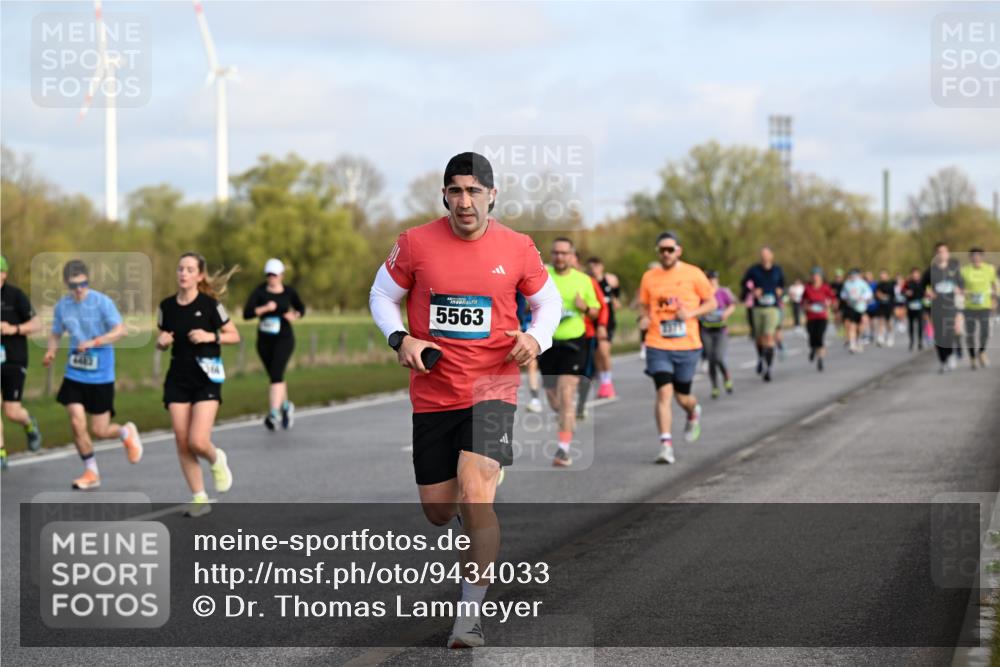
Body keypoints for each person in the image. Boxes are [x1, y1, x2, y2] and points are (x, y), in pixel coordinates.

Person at [368, 152, 560, 649]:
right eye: (456, 190)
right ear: (444, 196)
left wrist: (537, 339)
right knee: (438, 509)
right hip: (434, 391)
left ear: (493, 195)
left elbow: (548, 303)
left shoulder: (517, 247)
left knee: (477, 493)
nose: (465, 200)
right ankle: (477, 493)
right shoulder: (414, 243)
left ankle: (468, 618)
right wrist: (400, 339)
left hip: (493, 385)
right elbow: (380, 296)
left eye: (475, 191)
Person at [42, 259, 143, 489]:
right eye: (73, 285)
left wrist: (95, 341)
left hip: (101, 375)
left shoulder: (102, 303)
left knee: (100, 430)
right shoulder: (62, 306)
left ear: (88, 281)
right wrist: (50, 352)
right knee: (77, 422)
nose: (79, 289)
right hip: (75, 373)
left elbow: (121, 331)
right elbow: (56, 333)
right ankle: (91, 472)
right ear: (66, 284)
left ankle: (125, 431)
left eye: (83, 284)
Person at [157, 252, 239, 516]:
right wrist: (161, 342)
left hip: (206, 376)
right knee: (182, 442)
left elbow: (233, 335)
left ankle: (216, 458)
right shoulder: (166, 306)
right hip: (178, 378)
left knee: (197, 440)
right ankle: (199, 497)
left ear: (200, 275)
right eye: (181, 268)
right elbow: (163, 333)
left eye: (190, 269)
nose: (183, 273)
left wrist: (208, 335)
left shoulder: (211, 305)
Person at [639, 232, 716, 464]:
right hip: (657, 343)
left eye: (670, 249)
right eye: (662, 249)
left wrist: (691, 313)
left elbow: (712, 303)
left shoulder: (694, 273)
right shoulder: (649, 277)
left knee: (683, 397)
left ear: (678, 251)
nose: (666, 253)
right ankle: (665, 445)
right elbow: (643, 306)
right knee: (664, 392)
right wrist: (642, 318)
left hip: (687, 345)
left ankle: (693, 411)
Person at [540, 239, 602, 464]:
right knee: (553, 399)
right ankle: (567, 416)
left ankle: (563, 449)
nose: (559, 257)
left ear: (572, 256)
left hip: (574, 343)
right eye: (555, 253)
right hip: (547, 343)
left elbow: (595, 311)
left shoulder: (584, 280)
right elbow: (528, 302)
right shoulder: (542, 277)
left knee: (566, 395)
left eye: (564, 253)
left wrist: (584, 307)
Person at [243, 258, 306, 430]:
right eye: (269, 275)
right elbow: (246, 313)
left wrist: (294, 315)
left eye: (275, 275)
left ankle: (273, 413)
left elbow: (301, 308)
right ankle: (286, 406)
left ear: (282, 276)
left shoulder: (289, 292)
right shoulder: (260, 292)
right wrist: (264, 308)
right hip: (264, 339)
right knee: (275, 376)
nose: (272, 278)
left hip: (284, 338)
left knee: (277, 374)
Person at [1, 255, 43, 469]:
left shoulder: (15, 295)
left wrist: (14, 329)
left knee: (11, 411)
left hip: (14, 359)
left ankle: (29, 423)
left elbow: (37, 324)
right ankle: (1, 454)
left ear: (4, 274)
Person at [741, 247, 785, 382]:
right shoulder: (754, 270)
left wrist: (780, 290)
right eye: (762, 254)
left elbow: (783, 285)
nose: (765, 257)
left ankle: (769, 368)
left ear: (772, 256)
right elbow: (744, 283)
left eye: (767, 254)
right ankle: (760, 357)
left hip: (772, 307)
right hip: (758, 307)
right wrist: (753, 290)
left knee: (768, 335)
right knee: (759, 337)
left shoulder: (777, 270)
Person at [921, 242, 964, 373]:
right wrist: (928, 292)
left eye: (944, 251)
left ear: (948, 253)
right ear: (936, 254)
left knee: (949, 333)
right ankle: (942, 360)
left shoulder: (953, 269)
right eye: (939, 251)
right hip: (936, 307)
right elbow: (922, 286)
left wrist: (959, 289)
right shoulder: (930, 271)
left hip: (951, 306)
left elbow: (962, 284)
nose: (942, 254)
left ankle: (950, 355)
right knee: (939, 336)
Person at [586, 257, 620, 399]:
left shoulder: (610, 280)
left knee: (604, 351)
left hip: (607, 323)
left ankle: (608, 383)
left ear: (601, 266)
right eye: (591, 266)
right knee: (597, 354)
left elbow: (617, 300)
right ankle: (603, 382)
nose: (593, 268)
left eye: (596, 265)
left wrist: (614, 301)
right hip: (591, 322)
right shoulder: (586, 281)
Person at [699, 270, 735, 398]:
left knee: (719, 357)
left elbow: (732, 305)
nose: (711, 281)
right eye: (708, 279)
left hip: (721, 330)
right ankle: (714, 386)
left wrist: (726, 313)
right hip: (706, 330)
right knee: (711, 359)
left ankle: (726, 377)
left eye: (713, 279)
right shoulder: (702, 294)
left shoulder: (723, 292)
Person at [960, 247, 998, 369]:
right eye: (973, 256)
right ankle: (972, 358)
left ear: (982, 257)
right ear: (970, 257)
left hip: (984, 306)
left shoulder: (989, 270)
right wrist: (963, 291)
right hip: (969, 307)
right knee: (970, 334)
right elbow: (959, 286)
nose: (976, 258)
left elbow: (994, 285)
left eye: (978, 255)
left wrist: (994, 300)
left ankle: (981, 351)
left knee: (985, 332)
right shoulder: (964, 271)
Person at [801, 267, 837, 371]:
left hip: (822, 317)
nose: (815, 278)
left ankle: (820, 360)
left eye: (817, 276)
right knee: (812, 337)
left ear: (821, 277)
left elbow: (833, 298)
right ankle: (812, 349)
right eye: (814, 276)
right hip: (811, 317)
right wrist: (805, 306)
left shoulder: (825, 287)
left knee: (820, 338)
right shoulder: (807, 288)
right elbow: (803, 300)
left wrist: (830, 303)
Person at [515, 292, 543, 413]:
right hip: (521, 334)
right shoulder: (519, 299)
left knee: (533, 364)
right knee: (531, 364)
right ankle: (535, 400)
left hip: (535, 337)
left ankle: (536, 399)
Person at [839, 269, 874, 353]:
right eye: (851, 275)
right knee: (852, 326)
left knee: (860, 326)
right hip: (851, 307)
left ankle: (859, 339)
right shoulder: (847, 284)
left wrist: (862, 298)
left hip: (861, 308)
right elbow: (843, 294)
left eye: (854, 275)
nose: (853, 276)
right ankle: (852, 344)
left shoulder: (862, 283)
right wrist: (846, 298)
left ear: (857, 275)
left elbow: (869, 293)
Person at [902, 268, 926, 351]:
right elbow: (902, 291)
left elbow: (925, 292)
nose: (915, 276)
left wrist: (926, 294)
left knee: (920, 324)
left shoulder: (922, 283)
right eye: (914, 274)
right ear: (911, 275)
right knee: (911, 324)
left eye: (917, 274)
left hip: (919, 305)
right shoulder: (907, 283)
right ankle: (911, 342)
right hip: (910, 305)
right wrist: (906, 293)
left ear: (919, 275)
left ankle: (920, 342)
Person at [873, 269, 896, 347]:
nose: (882, 277)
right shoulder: (879, 285)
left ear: (887, 276)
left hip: (889, 306)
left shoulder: (891, 284)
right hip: (881, 305)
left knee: (888, 322)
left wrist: (884, 296)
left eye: (883, 275)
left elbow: (893, 296)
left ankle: (890, 336)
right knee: (881, 321)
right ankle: (880, 337)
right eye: (881, 276)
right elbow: (876, 294)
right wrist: (878, 295)